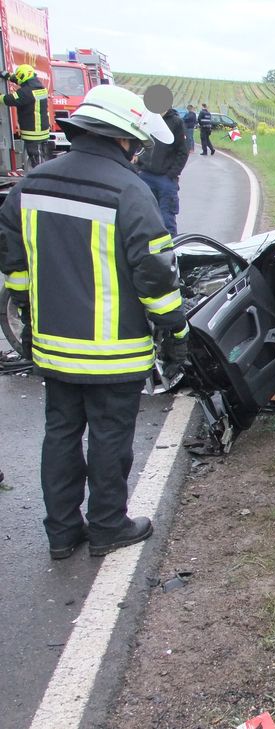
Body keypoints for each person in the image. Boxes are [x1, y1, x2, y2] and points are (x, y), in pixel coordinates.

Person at [0, 85, 188, 560]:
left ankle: (62, 534)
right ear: (124, 138)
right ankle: (107, 526)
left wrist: (25, 304)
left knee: (61, 434)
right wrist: (175, 332)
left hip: (51, 346)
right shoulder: (130, 191)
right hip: (114, 352)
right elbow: (156, 275)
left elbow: (13, 261)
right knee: (109, 439)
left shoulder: (31, 184)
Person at [136, 105, 188, 236]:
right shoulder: (148, 120)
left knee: (166, 218)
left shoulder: (176, 122)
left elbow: (183, 151)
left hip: (165, 179)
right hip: (145, 175)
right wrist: (139, 166)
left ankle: (170, 251)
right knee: (143, 215)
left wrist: (172, 173)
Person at [1, 64, 50, 169]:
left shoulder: (26, 92)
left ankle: (39, 181)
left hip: (33, 133)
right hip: (42, 131)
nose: (18, 80)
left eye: (20, 77)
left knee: (36, 162)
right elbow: (20, 80)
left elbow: (9, 99)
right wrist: (6, 75)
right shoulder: (40, 87)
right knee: (42, 158)